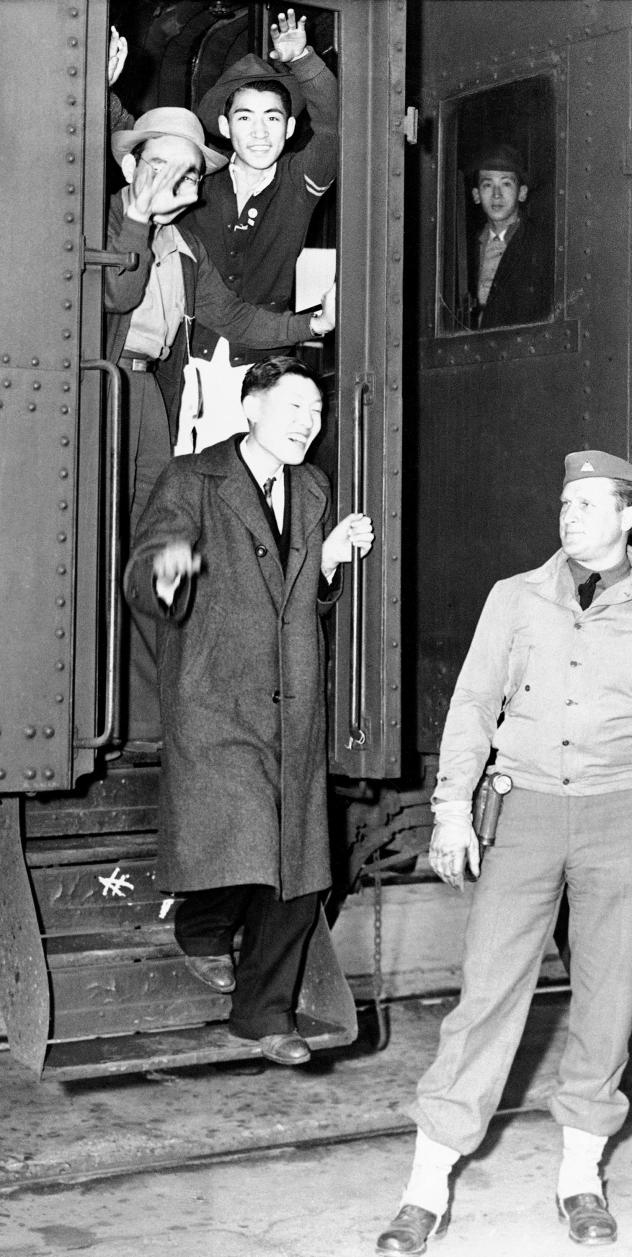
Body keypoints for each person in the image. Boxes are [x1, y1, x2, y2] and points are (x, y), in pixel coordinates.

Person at [374, 451, 632, 1254]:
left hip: (620, 817)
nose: (570, 517)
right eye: (566, 502)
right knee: (487, 991)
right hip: (523, 810)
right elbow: (472, 701)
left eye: (591, 504)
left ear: (631, 515)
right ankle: (426, 1186)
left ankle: (581, 1179)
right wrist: (453, 806)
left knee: (607, 1000)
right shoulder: (514, 598)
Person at [122, 357, 374, 1064]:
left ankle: (264, 1015)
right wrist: (165, 568)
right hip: (215, 696)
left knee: (298, 870)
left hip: (292, 702)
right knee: (237, 845)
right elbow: (144, 571)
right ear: (251, 406)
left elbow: (307, 600)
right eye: (294, 406)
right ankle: (200, 927)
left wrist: (325, 564)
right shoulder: (193, 479)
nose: (308, 423)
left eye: (317, 411)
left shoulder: (315, 488)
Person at [104, 105, 330, 743]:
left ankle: (145, 717)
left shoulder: (184, 246)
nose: (173, 185)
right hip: (102, 389)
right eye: (158, 168)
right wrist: (134, 222)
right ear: (129, 166)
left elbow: (234, 317)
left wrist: (310, 324)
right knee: (98, 545)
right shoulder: (108, 223)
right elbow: (115, 298)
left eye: (186, 174)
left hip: (146, 394)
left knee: (150, 550)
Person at [177, 7, 339, 453]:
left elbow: (337, 128)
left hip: (262, 371)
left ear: (289, 128)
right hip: (186, 364)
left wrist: (303, 59)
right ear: (226, 128)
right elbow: (137, 149)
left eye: (272, 117)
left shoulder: (299, 181)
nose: (260, 132)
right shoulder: (195, 182)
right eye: (245, 118)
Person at [467, 144, 551, 330]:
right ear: (476, 195)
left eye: (506, 183)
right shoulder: (465, 247)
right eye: (487, 185)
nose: (497, 195)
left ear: (522, 193)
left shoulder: (543, 245)